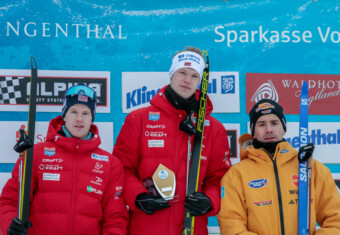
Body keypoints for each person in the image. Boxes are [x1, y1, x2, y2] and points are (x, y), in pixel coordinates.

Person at [113, 46, 231, 235]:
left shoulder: (213, 128)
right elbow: (121, 169)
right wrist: (138, 197)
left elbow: (220, 179)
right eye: (182, 72)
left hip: (192, 227)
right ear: (171, 74)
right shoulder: (139, 119)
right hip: (146, 226)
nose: (187, 80)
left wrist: (209, 201)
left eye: (194, 76)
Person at [0, 84, 128, 235]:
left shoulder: (109, 163)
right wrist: (10, 224)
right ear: (64, 115)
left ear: (92, 118)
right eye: (73, 111)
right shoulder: (37, 154)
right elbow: (11, 201)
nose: (79, 119)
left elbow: (115, 218)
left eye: (85, 113)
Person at [217, 99, 340, 234]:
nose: (269, 129)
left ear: (284, 128)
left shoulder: (311, 167)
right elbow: (232, 227)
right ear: (253, 131)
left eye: (274, 123)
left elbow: (336, 221)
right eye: (261, 124)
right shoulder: (236, 175)